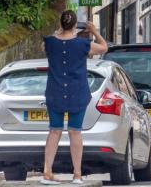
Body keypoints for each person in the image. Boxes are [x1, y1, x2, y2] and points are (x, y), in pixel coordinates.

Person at [41, 12, 108, 185]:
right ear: (75, 25)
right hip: (77, 93)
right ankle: (77, 174)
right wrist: (94, 31)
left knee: (54, 131)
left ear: (61, 23)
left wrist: (58, 32)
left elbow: (46, 46)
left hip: (54, 92)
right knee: (75, 131)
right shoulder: (83, 44)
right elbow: (104, 47)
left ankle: (47, 172)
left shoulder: (49, 42)